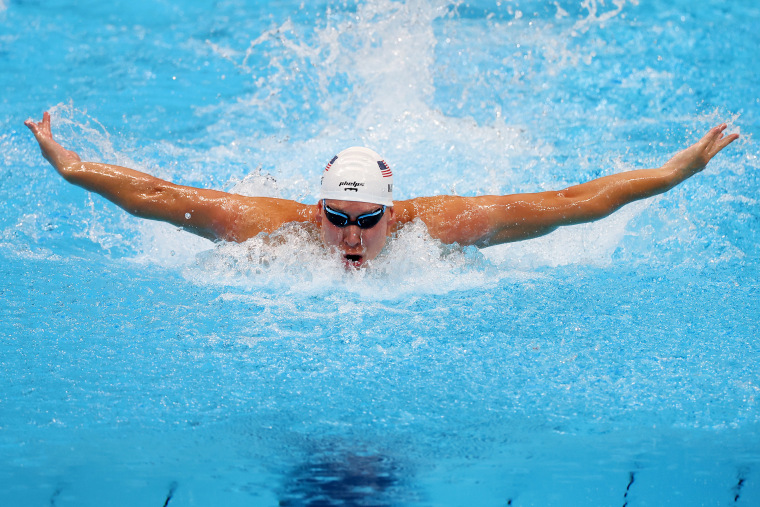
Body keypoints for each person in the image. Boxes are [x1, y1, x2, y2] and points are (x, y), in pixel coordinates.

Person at [25, 112, 739, 268]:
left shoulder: (446, 226)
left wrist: (678, 170)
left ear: (393, 211)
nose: (352, 236)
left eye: (367, 220)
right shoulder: (266, 228)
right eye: (337, 217)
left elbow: (568, 204)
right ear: (316, 208)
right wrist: (70, 165)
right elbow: (156, 193)